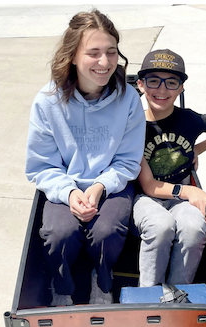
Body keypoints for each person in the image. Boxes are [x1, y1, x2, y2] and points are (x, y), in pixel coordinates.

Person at [25, 9, 144, 306]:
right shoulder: (47, 102)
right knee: (57, 233)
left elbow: (128, 160)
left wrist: (99, 186)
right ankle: (62, 287)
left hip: (111, 184)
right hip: (64, 185)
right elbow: (41, 166)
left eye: (111, 52)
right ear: (73, 56)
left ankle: (102, 282)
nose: (104, 62)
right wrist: (69, 192)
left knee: (107, 231)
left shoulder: (128, 99)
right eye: (93, 53)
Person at [132, 49, 206, 287]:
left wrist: (197, 149)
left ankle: (178, 294)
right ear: (140, 85)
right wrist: (190, 191)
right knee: (161, 227)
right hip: (144, 197)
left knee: (194, 227)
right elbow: (149, 186)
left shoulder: (190, 120)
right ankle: (149, 296)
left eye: (171, 83)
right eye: (153, 81)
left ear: (181, 88)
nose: (162, 90)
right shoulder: (135, 126)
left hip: (178, 199)